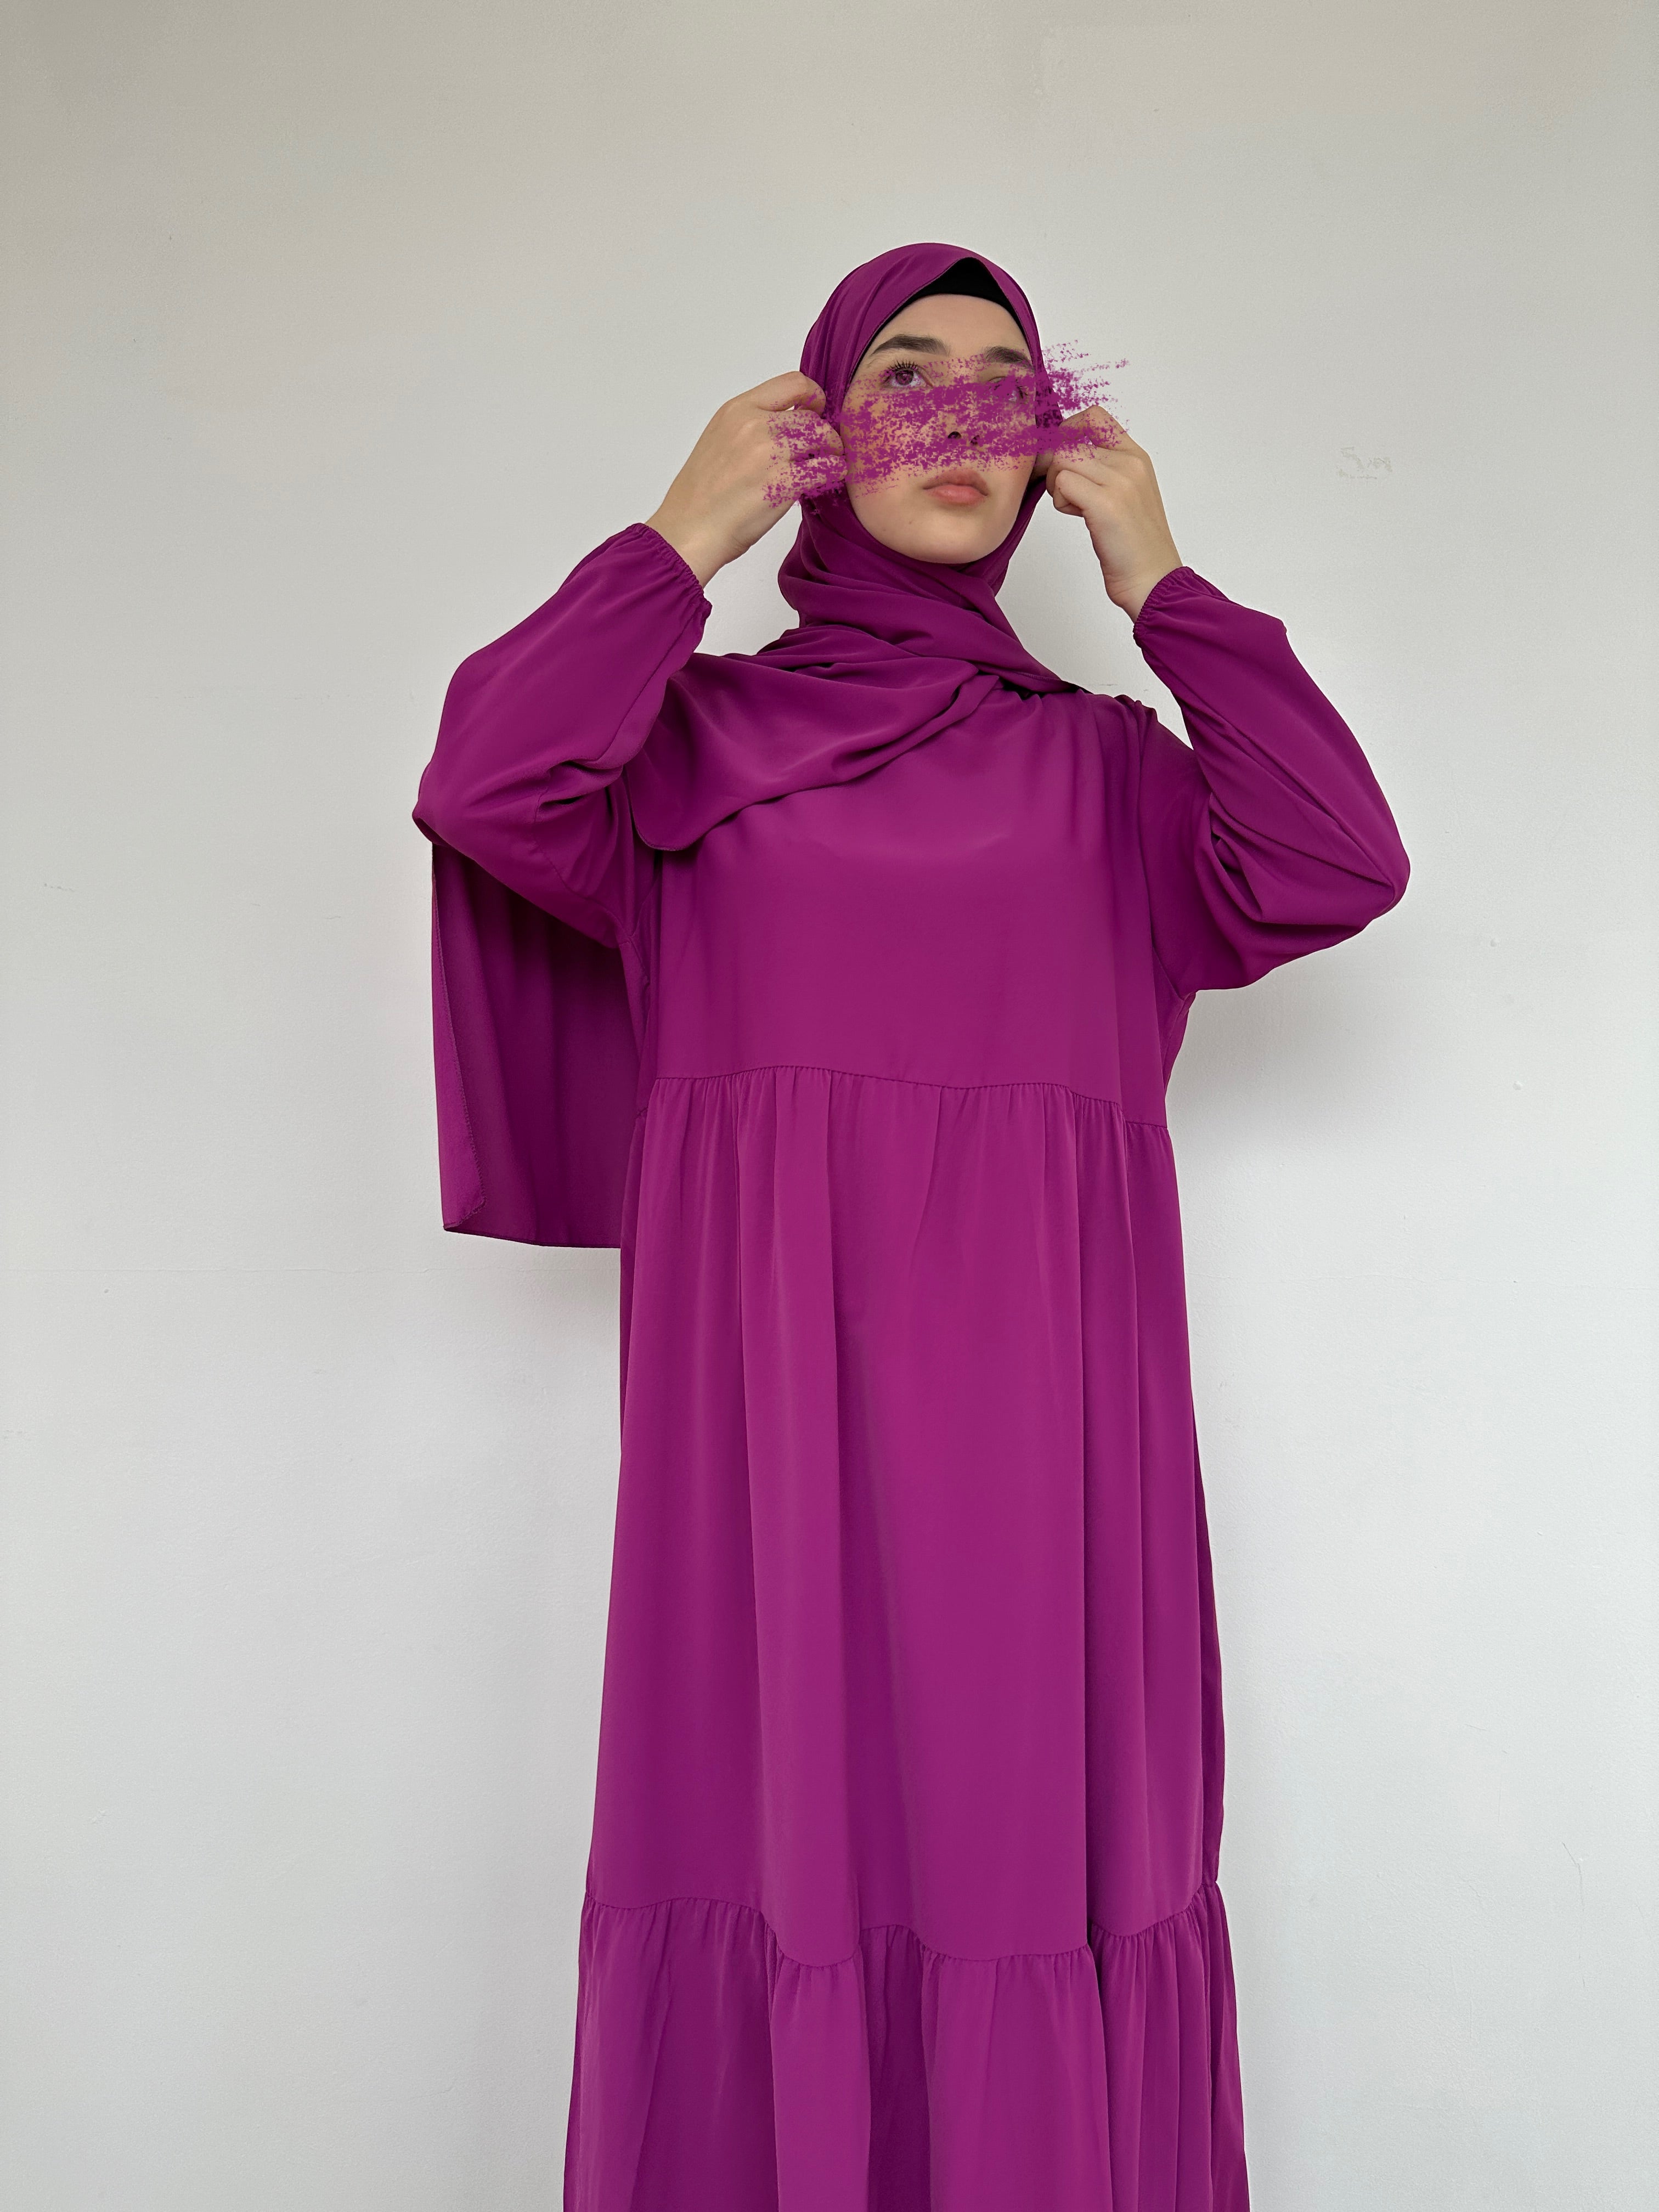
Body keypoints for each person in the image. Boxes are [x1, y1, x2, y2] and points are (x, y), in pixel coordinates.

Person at [413, 241, 1409, 2212]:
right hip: (761, 1429)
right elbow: (484, 782)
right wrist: (677, 538)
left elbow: (1335, 860)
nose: (960, 413)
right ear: (821, 430)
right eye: (905, 373)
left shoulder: (1114, 778)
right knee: (763, 1835)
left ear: (1049, 449)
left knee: (1035, 1841)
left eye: (1004, 385)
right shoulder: (681, 749)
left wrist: (1164, 585)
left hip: (1051, 1435)